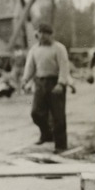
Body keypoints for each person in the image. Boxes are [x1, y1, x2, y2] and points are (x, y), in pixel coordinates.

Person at [21, 23, 71, 153]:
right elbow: (30, 67)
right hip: (40, 82)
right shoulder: (34, 50)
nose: (42, 36)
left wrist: (61, 83)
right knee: (36, 112)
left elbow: (64, 66)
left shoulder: (59, 48)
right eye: (40, 33)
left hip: (55, 82)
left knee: (58, 116)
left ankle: (60, 145)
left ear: (51, 34)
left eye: (45, 33)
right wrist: (25, 79)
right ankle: (47, 134)